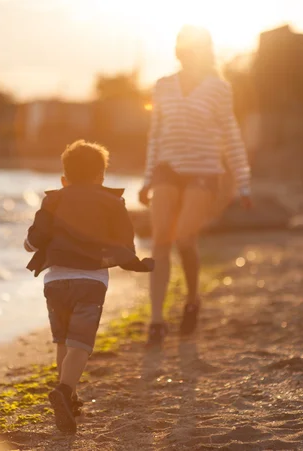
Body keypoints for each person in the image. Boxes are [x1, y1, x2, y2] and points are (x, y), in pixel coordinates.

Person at [25, 140, 154, 434]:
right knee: (80, 344)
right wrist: (137, 262)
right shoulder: (113, 202)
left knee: (63, 341)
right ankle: (65, 390)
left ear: (63, 179)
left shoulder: (53, 200)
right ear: (101, 177)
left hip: (55, 282)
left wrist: (28, 245)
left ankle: (68, 396)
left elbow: (36, 236)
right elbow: (124, 242)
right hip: (91, 282)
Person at [138, 25, 252, 348]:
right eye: (182, 47)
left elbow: (230, 134)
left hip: (204, 171)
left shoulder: (218, 88)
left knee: (185, 237)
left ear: (204, 51)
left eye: (193, 48)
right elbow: (155, 135)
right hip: (166, 169)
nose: (187, 52)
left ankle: (192, 299)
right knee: (161, 239)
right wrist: (148, 179)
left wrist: (243, 181)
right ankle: (157, 319)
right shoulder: (162, 86)